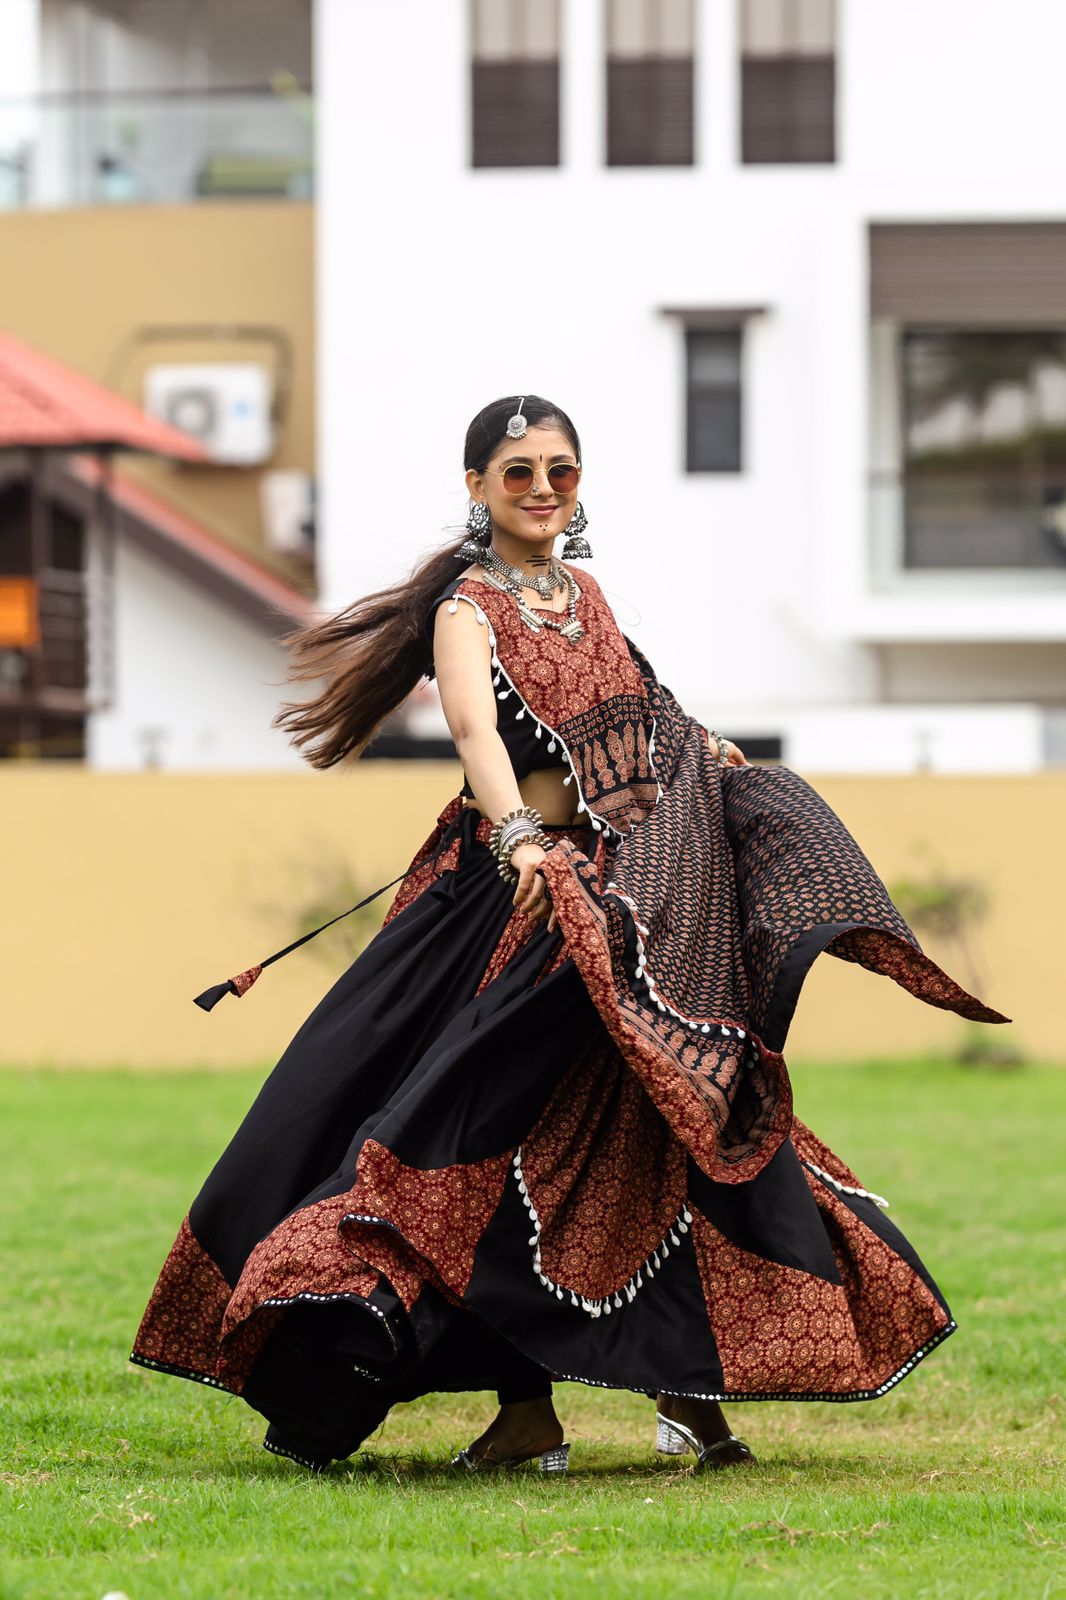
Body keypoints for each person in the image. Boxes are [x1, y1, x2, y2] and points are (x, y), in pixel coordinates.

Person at [130, 394, 1008, 1476]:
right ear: (476, 488)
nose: (544, 490)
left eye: (561, 471)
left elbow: (639, 704)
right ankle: (527, 1410)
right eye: (519, 473)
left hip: (630, 907)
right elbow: (468, 730)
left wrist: (711, 751)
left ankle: (692, 1402)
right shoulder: (467, 609)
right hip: (515, 910)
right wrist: (518, 841)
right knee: (482, 1151)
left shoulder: (582, 593)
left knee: (675, 1125)